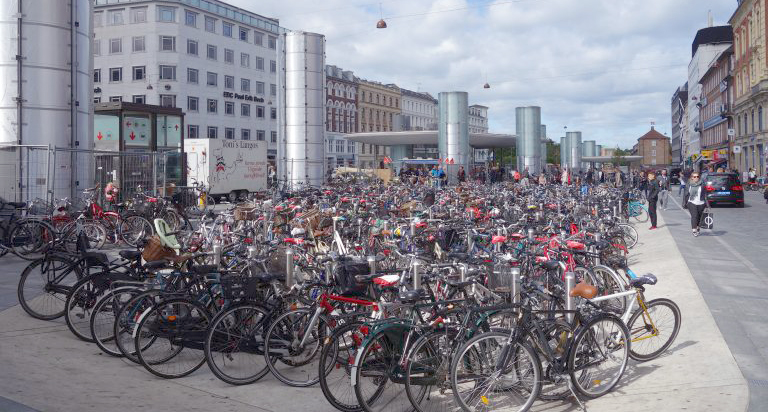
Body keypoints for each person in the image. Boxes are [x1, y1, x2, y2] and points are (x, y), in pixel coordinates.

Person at [683, 172, 707, 237]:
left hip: (701, 203)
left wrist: (707, 203)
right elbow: (685, 194)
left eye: (697, 176)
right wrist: (685, 203)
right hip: (691, 202)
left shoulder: (702, 184)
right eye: (694, 177)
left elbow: (705, 194)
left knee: (699, 217)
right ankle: (694, 230)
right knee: (694, 215)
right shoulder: (689, 184)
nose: (696, 178)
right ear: (692, 178)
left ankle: (698, 227)